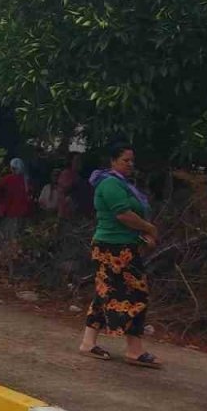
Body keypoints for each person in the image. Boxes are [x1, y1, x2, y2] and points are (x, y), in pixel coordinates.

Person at [78, 143, 161, 368]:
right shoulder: (110, 184)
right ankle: (134, 349)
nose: (130, 165)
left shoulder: (122, 184)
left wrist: (143, 234)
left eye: (132, 161)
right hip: (112, 248)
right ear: (113, 161)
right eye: (126, 160)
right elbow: (123, 214)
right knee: (136, 293)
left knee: (105, 291)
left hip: (121, 245)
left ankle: (88, 342)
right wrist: (149, 228)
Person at [0, 158, 32, 278]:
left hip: (12, 214)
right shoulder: (26, 180)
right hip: (23, 215)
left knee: (10, 239)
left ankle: (9, 265)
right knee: (18, 239)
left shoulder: (9, 179)